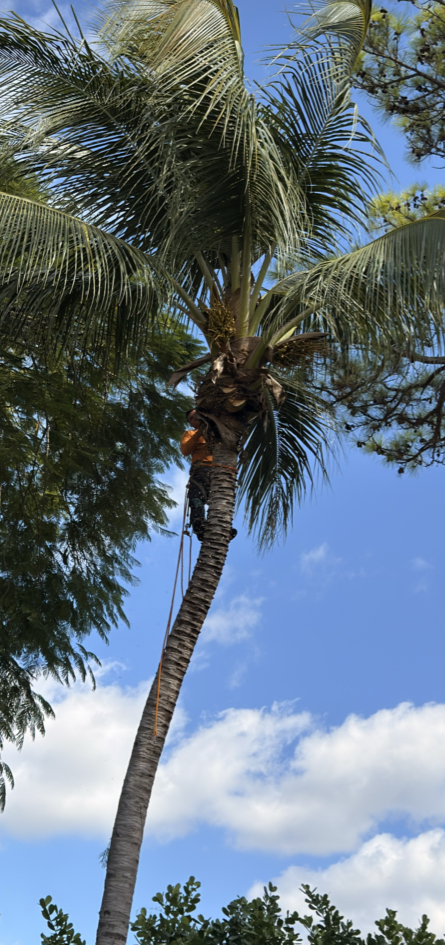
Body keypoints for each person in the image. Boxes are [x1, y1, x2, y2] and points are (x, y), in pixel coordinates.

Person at [180, 409, 237, 542]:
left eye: (197, 415)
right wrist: (200, 432)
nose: (196, 418)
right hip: (201, 470)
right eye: (192, 418)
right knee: (196, 497)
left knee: (221, 498)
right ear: (191, 424)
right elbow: (185, 450)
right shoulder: (190, 434)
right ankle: (199, 525)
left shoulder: (218, 429)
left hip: (222, 470)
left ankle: (223, 527)